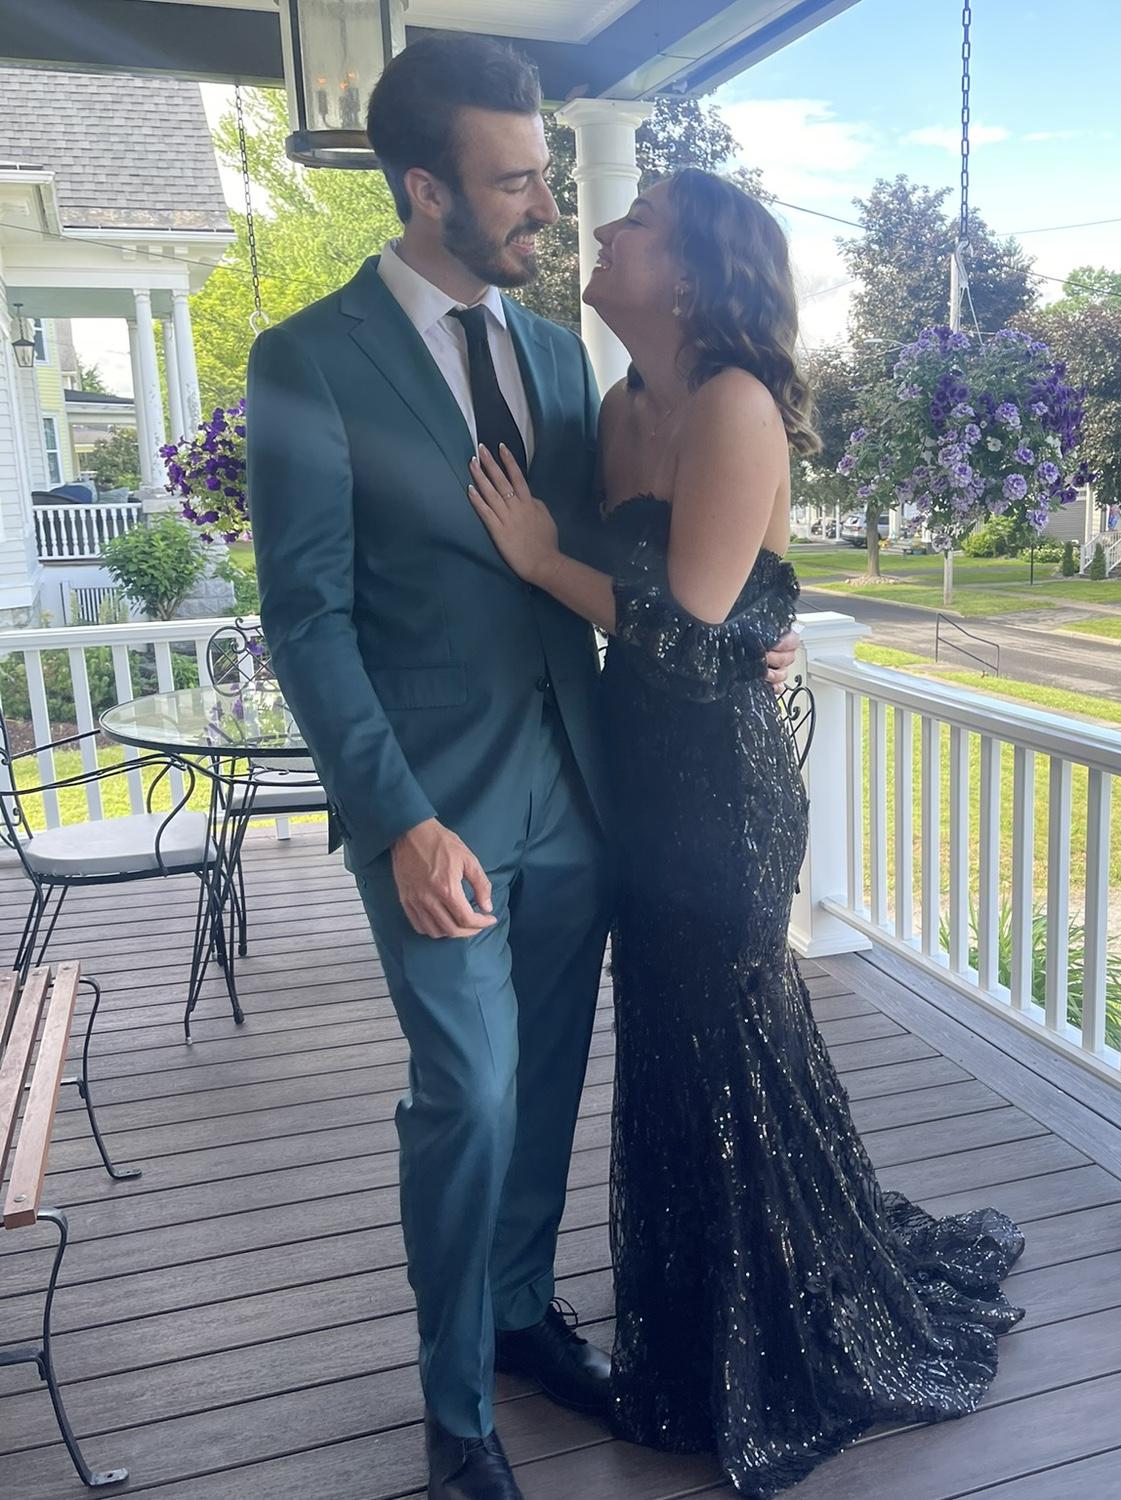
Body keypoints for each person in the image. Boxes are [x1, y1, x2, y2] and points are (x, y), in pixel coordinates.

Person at [246, 39, 795, 1500]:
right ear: (426, 190)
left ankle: (520, 1313)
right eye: (514, 183)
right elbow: (306, 618)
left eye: (549, 177)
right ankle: (455, 1407)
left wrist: (756, 630)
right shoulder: (308, 359)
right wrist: (395, 820)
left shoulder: (561, 360)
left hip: (587, 794)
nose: (550, 208)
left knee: (547, 1084)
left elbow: (648, 564)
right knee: (472, 1095)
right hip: (433, 814)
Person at [466, 168, 1026, 1500]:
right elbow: (715, 595)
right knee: (670, 1050)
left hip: (721, 793)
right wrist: (746, 615)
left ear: (694, 272)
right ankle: (698, 1315)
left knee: (729, 1047)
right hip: (633, 778)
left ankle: (779, 1322)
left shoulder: (734, 403)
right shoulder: (617, 405)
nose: (604, 229)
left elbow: (688, 618)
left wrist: (544, 559)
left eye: (639, 222)